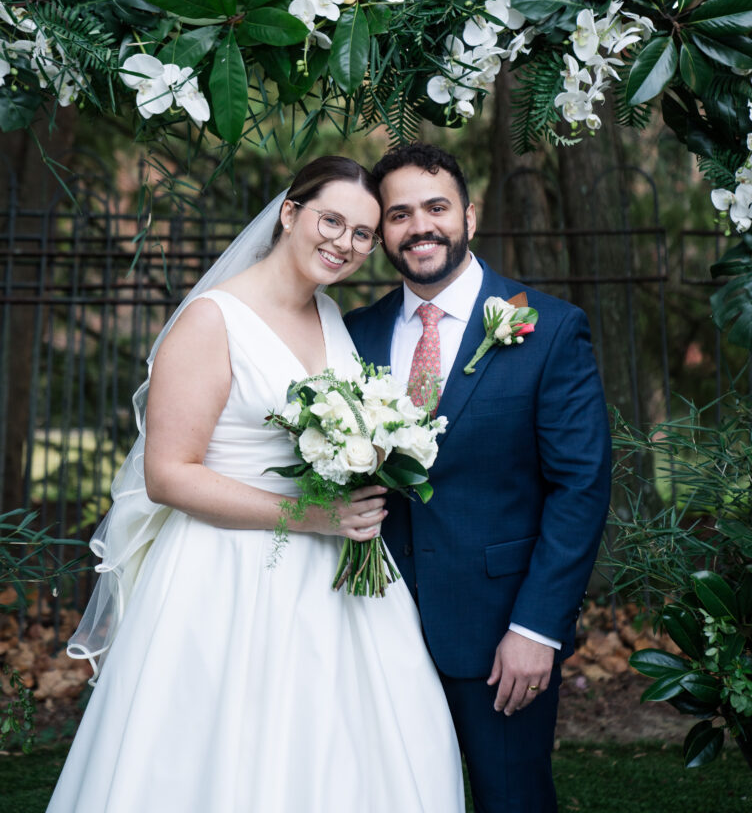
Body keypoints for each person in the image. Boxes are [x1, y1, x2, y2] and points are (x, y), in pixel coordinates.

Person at [47, 155, 465, 813]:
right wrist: (309, 517)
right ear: (290, 214)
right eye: (332, 221)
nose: (346, 244)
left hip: (336, 577)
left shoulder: (330, 316)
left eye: (362, 233)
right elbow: (167, 475)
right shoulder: (212, 320)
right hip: (227, 571)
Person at [345, 143, 612, 813]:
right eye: (399, 214)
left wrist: (538, 628)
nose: (419, 227)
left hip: (499, 632)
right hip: (373, 625)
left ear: (470, 214)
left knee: (509, 800)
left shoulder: (549, 330)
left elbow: (580, 486)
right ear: (382, 231)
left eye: (436, 207)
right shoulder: (352, 336)